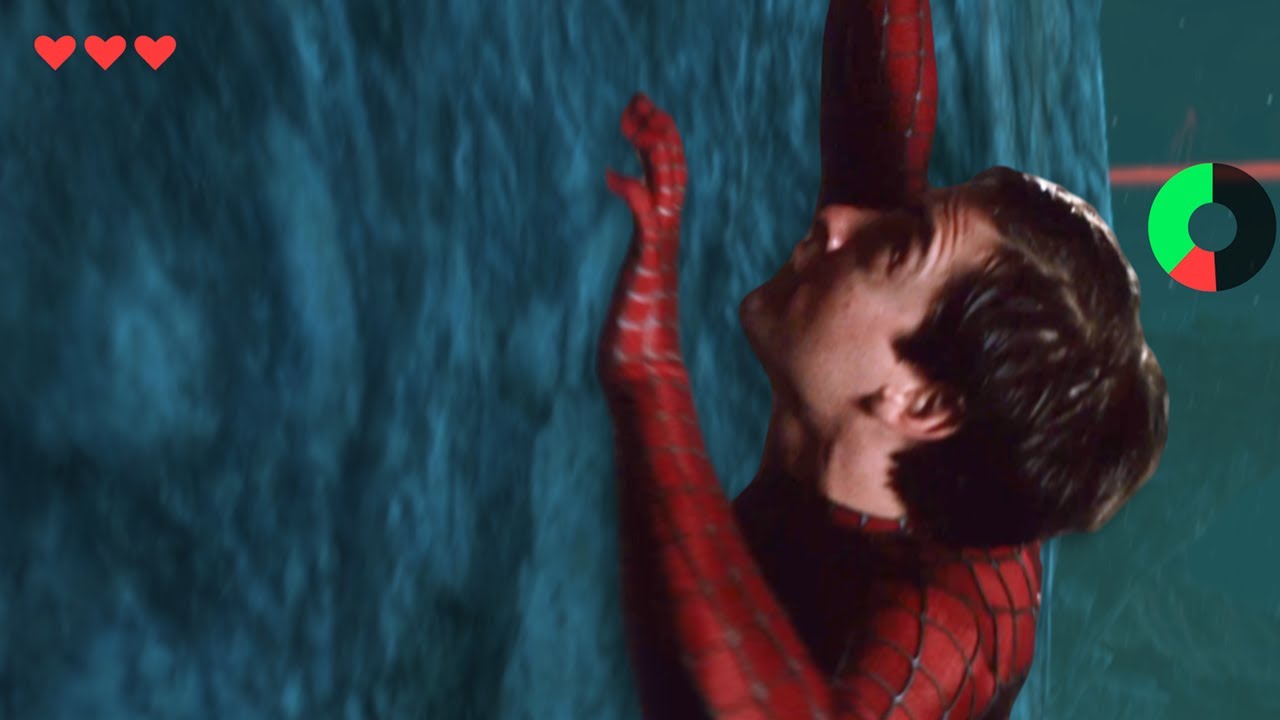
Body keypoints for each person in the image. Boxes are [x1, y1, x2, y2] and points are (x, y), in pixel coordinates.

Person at [596, 0, 1169, 718]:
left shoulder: (945, 620)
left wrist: (650, 378)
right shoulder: (897, 385)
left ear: (921, 403)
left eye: (895, 246)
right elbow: (878, 122)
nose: (837, 219)